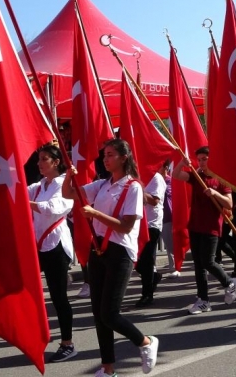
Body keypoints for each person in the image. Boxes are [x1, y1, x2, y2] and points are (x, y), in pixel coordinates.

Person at [62, 138, 158, 377]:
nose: (105, 159)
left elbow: (125, 226)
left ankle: (145, 341)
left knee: (110, 313)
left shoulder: (133, 187)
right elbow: (70, 193)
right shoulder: (102, 184)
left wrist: (95, 213)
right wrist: (67, 175)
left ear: (124, 158)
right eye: (104, 155)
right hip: (99, 251)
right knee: (98, 313)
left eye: (110, 155)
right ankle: (108, 368)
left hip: (120, 251)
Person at [27, 144, 78, 362]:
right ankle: (33, 337)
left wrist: (24, 203)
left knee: (58, 297)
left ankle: (67, 344)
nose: (39, 163)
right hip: (39, 245)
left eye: (44, 159)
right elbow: (15, 191)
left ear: (56, 162)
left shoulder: (64, 183)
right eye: (39, 159)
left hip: (57, 246)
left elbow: (53, 208)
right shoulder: (39, 186)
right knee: (28, 292)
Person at [171, 146, 236, 315]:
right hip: (195, 225)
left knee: (208, 261)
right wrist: (182, 163)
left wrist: (215, 193)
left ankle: (228, 282)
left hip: (211, 226)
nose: (201, 162)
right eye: (199, 159)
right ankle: (203, 300)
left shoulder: (221, 179)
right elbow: (176, 175)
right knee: (198, 265)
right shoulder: (196, 176)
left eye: (204, 159)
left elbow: (228, 203)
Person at [135, 161, 167, 308]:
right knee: (137, 262)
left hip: (151, 224)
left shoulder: (157, 178)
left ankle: (147, 294)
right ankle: (153, 277)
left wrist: (138, 189)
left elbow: (154, 201)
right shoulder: (138, 176)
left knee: (146, 261)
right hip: (137, 223)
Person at [159, 162, 180, 278]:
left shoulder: (169, 181)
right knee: (167, 241)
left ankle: (176, 267)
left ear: (166, 168)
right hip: (160, 216)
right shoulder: (157, 180)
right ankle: (173, 266)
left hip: (169, 215)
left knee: (170, 242)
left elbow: (167, 194)